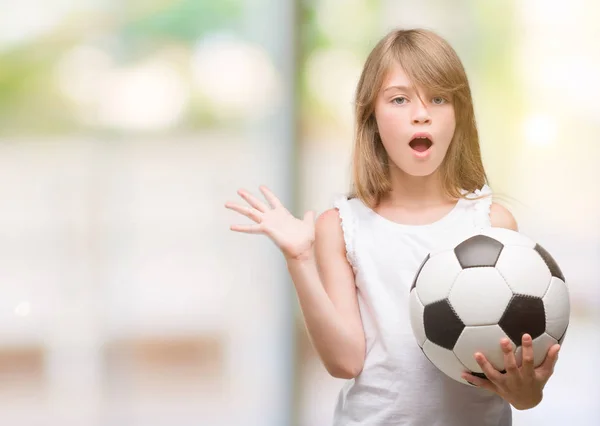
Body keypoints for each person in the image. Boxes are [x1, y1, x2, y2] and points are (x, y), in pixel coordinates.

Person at [225, 28, 560, 426]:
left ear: (459, 114)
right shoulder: (344, 227)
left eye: (438, 98)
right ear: (372, 117)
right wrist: (299, 259)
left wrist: (527, 391)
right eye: (399, 99)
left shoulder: (492, 225)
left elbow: (522, 391)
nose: (421, 113)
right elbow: (345, 362)